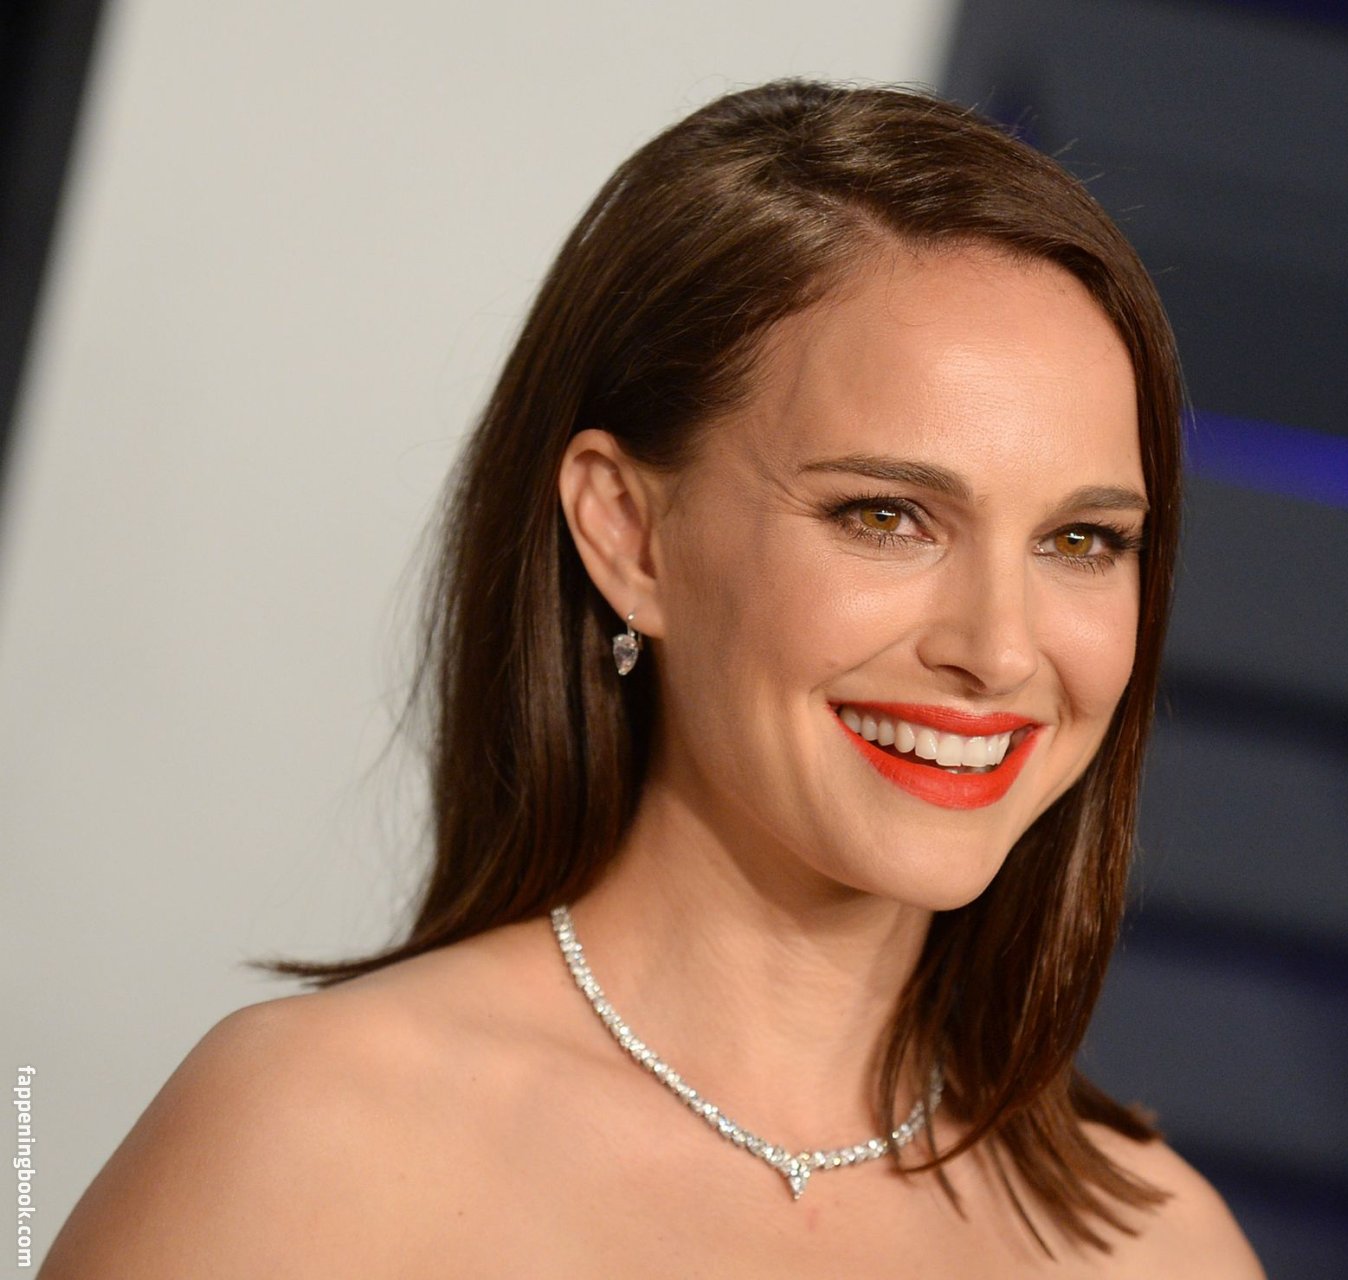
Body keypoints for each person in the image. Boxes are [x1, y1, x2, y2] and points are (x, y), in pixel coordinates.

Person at [43, 79, 1263, 1277]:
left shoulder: (1161, 1248)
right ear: (627, 532)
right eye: (886, 515)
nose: (998, 649)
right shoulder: (314, 1140)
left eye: (1081, 539)